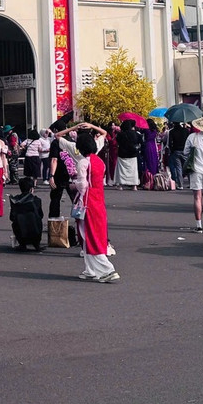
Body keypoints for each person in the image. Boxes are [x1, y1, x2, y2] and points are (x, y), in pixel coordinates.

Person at [71, 125, 118, 283]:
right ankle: (90, 269)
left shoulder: (83, 163)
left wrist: (73, 185)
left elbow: (82, 185)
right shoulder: (99, 161)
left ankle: (107, 269)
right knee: (93, 234)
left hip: (87, 201)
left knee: (89, 235)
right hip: (99, 199)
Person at [9, 175, 44, 251]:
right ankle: (36, 245)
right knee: (38, 221)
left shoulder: (15, 200)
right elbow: (41, 215)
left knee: (16, 222)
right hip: (35, 231)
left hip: (20, 232)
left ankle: (22, 244)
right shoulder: (36, 200)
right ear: (31, 189)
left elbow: (12, 217)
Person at [114, 120, 142, 190]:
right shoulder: (136, 134)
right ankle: (134, 185)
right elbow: (140, 142)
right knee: (133, 171)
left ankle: (120, 185)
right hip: (133, 154)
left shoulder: (120, 134)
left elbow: (117, 142)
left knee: (121, 170)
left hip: (122, 154)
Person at [143, 121, 162, 189]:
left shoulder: (146, 130)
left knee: (148, 161)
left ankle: (148, 179)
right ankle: (154, 178)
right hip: (153, 146)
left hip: (148, 145)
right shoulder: (154, 131)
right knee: (154, 161)